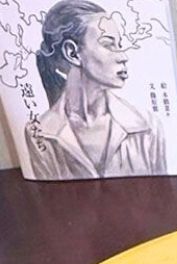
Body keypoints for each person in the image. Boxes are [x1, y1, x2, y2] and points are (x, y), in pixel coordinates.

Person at [25, 0, 166, 179]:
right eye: (108, 44)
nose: (123, 56)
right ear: (73, 53)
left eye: (119, 44)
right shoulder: (39, 132)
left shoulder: (147, 126)